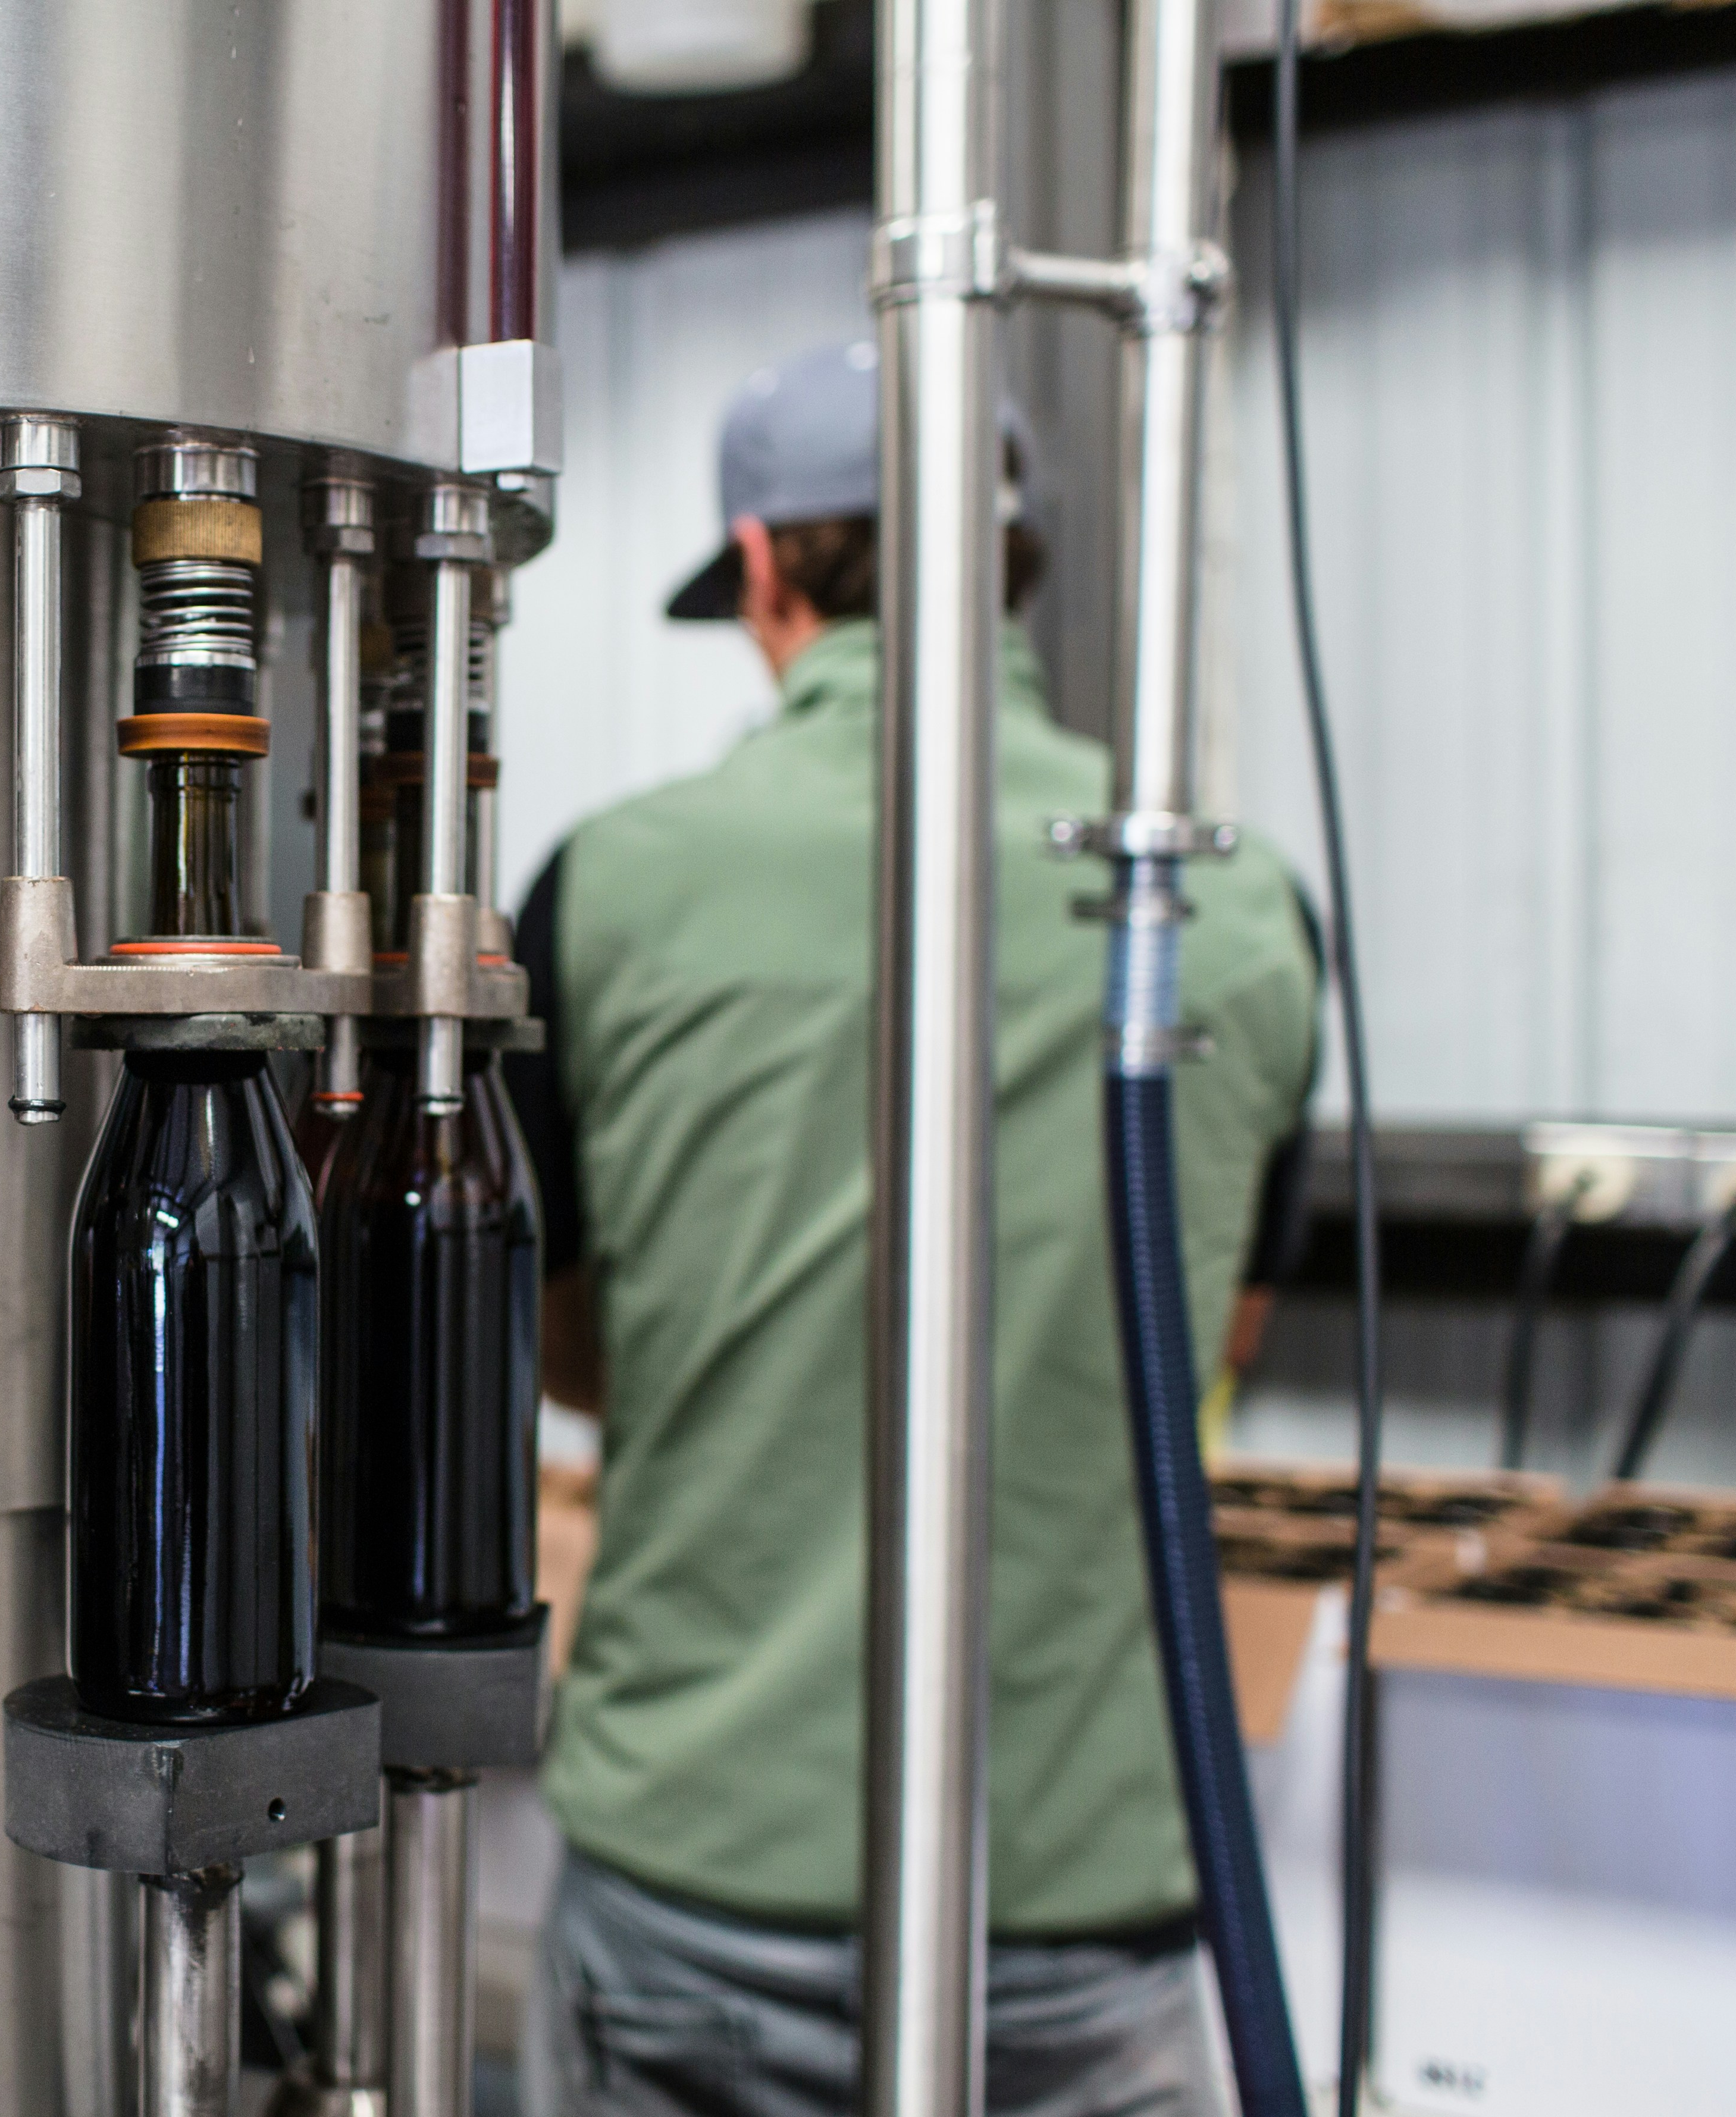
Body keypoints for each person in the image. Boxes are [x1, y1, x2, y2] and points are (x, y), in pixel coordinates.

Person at [506, 340, 1319, 2117]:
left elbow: (560, 1338)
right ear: (1009, 561)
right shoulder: (1232, 906)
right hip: (1094, 1888)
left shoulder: (614, 882)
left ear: (772, 568)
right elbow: (1215, 1339)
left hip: (712, 1870)